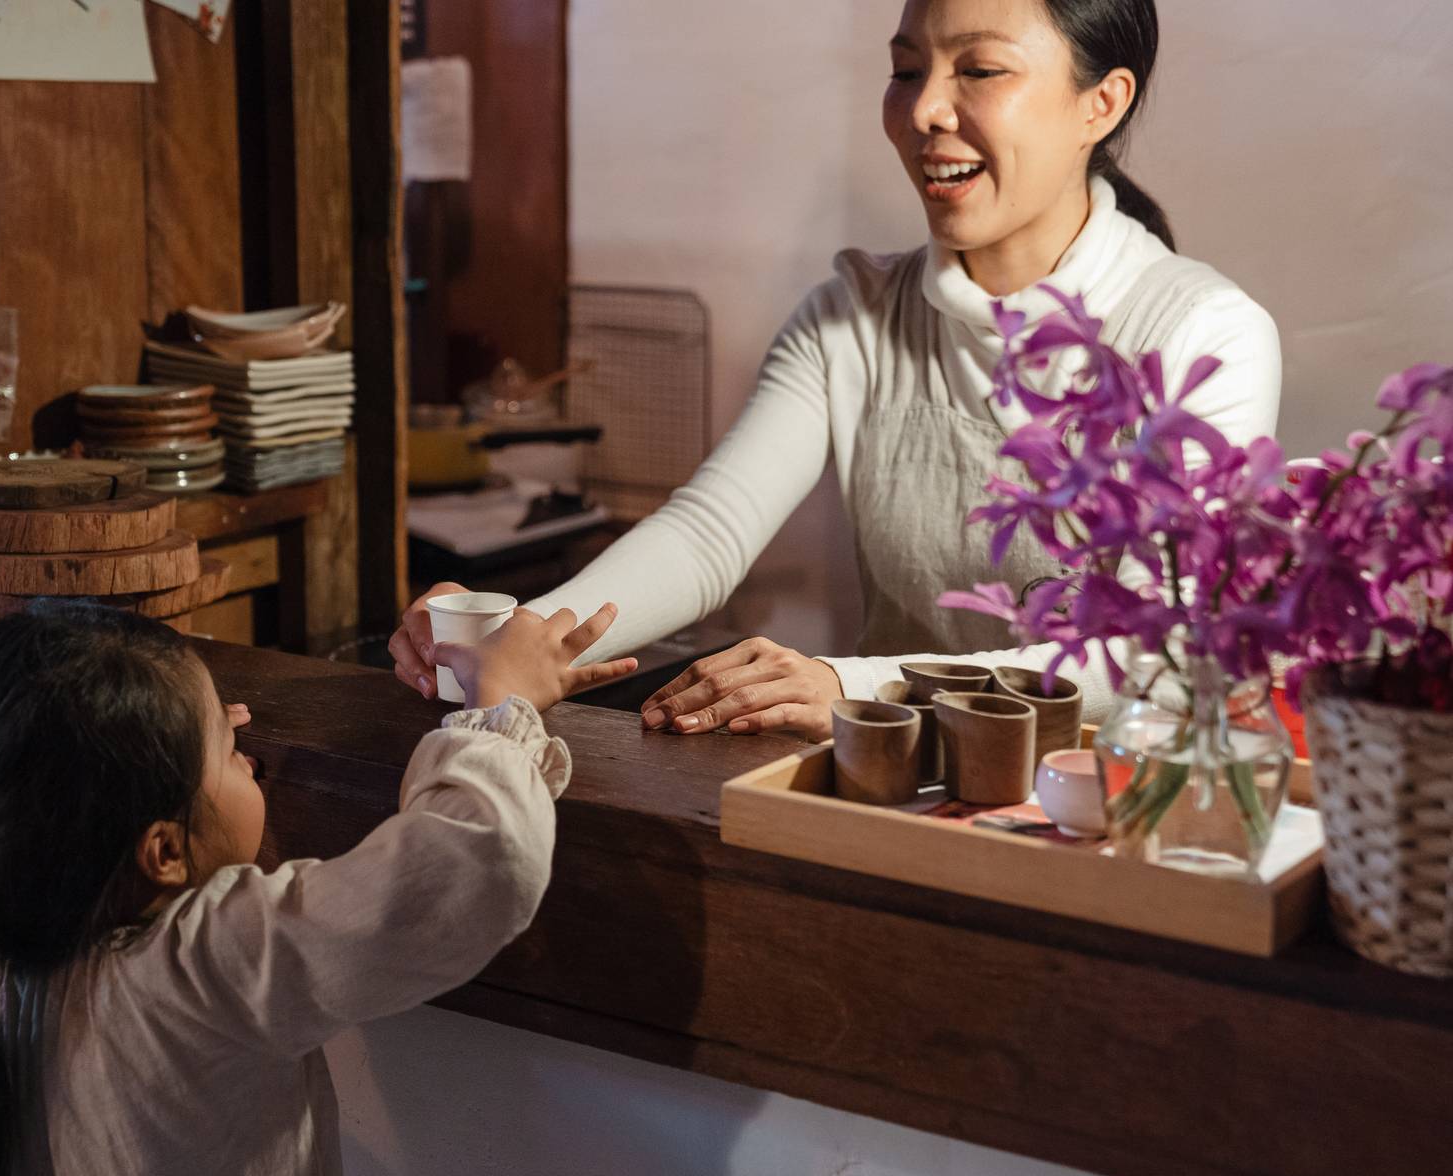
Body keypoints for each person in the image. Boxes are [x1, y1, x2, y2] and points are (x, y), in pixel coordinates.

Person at [390, 0, 1281, 734]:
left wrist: (851, 685)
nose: (927, 109)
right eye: (905, 70)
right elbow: (707, 536)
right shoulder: (852, 314)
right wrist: (515, 641)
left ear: (1103, 102)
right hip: (889, 787)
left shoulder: (1202, 334)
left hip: (1106, 810)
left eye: (978, 70)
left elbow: (1149, 650)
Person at [0, 600, 634, 1176]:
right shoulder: (203, 964)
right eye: (230, 751)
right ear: (161, 850)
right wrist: (502, 705)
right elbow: (476, 860)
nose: (248, 753)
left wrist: (180, 750)